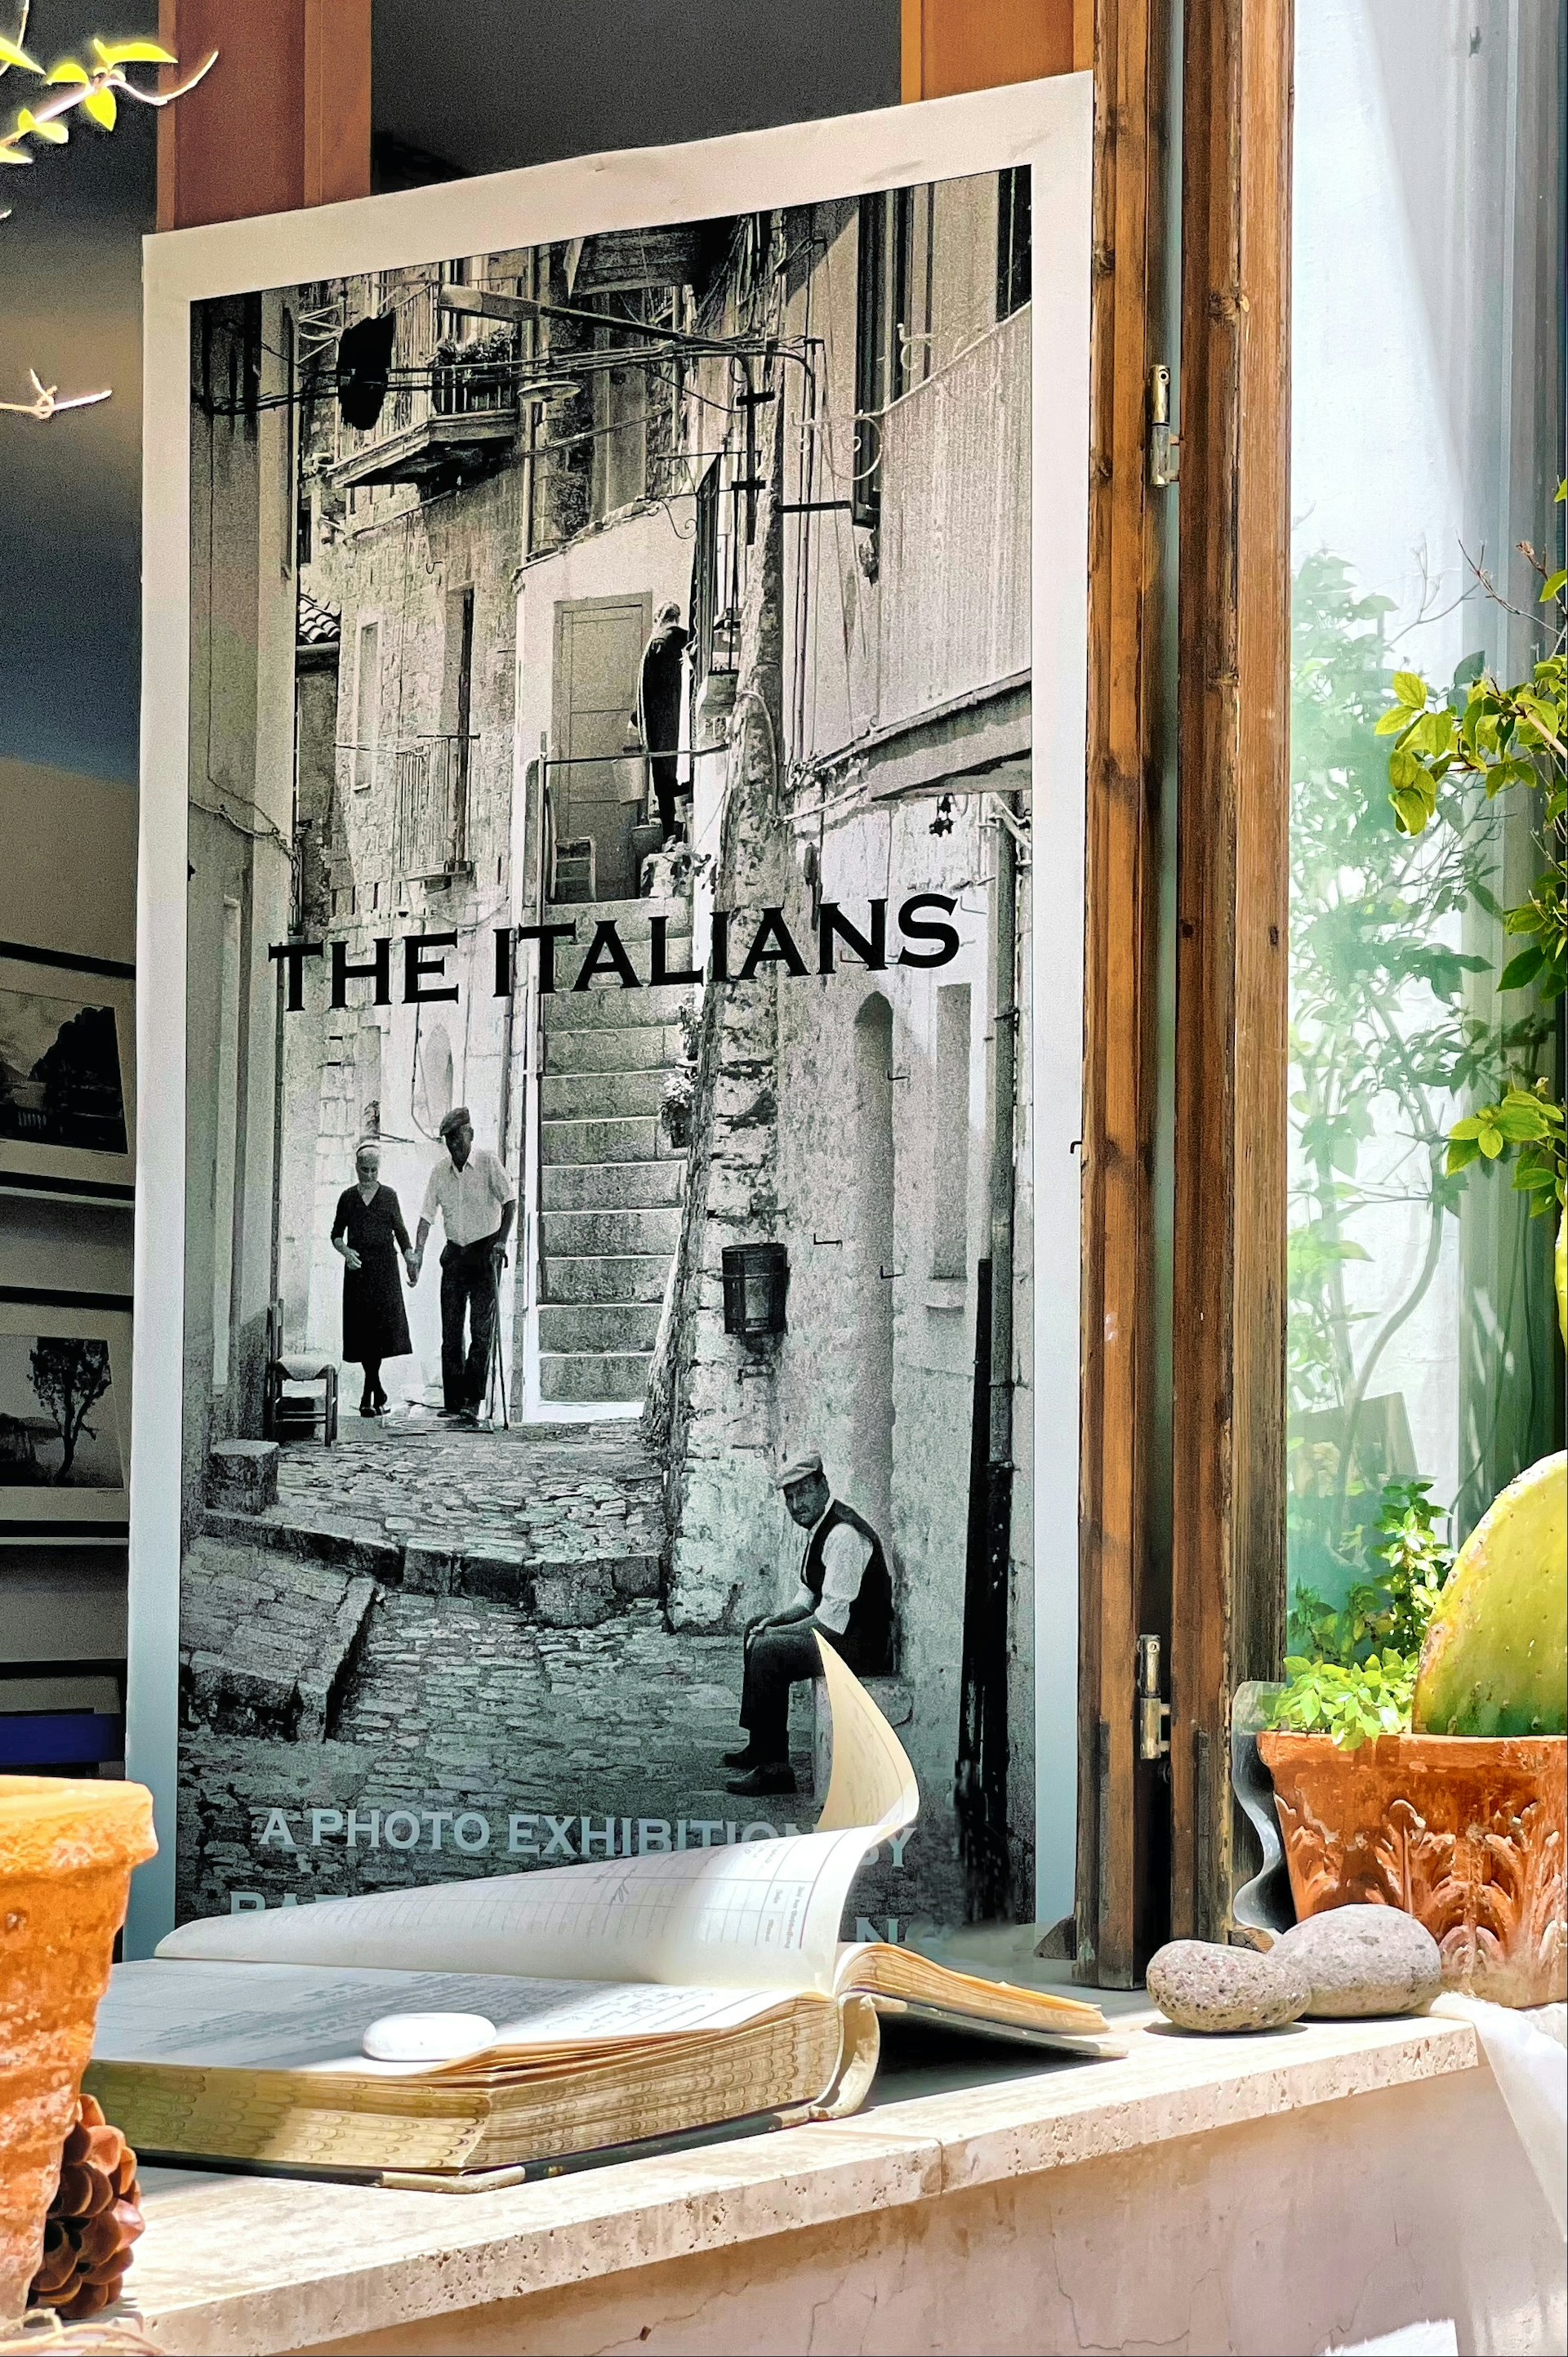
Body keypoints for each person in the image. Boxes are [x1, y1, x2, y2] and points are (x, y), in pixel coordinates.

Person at [724, 1453, 896, 1797]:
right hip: (842, 1634)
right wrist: (773, 1622)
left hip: (862, 1646)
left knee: (769, 1649)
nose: (796, 1504)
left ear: (823, 1486)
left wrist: (775, 1635)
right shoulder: (819, 1528)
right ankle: (760, 1744)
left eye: (803, 1493)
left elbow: (831, 1620)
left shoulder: (844, 1534)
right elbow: (807, 1599)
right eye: (789, 1497)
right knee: (755, 1627)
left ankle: (776, 1770)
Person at [408, 1108, 515, 1422]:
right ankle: (454, 1401)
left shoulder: (487, 1162)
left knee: (481, 1332)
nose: (453, 1144)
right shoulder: (439, 1172)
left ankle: (473, 1400)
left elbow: (510, 1202)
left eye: (457, 1137)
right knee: (451, 1333)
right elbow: (426, 1216)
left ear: (470, 1133)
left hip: (485, 1254)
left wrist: (502, 1242)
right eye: (448, 1139)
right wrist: (417, 1252)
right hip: (455, 1255)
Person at [330, 1141, 416, 1417]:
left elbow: (401, 1231)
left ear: (379, 1170)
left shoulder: (389, 1196)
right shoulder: (347, 1198)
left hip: (384, 1271)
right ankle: (374, 1392)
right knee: (363, 1331)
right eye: (364, 1170)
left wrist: (410, 1258)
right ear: (356, 1168)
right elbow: (336, 1234)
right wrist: (345, 1251)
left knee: (379, 1331)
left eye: (373, 1171)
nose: (369, 1176)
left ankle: (370, 1393)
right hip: (358, 1271)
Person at [635, 600, 689, 844]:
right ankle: (681, 825)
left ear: (659, 618)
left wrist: (637, 719)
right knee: (682, 771)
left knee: (663, 779)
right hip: (682, 719)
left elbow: (647, 686)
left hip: (661, 722)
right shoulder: (686, 639)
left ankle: (670, 832)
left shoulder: (656, 643)